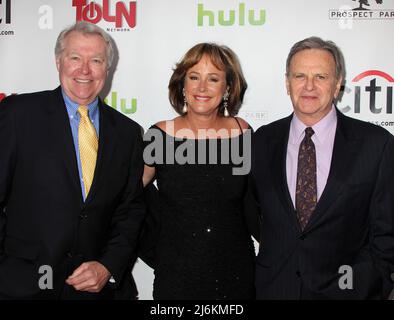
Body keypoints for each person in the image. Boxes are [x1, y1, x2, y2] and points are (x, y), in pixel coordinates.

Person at [0, 21, 145, 300]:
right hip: (21, 286)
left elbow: (131, 211)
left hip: (98, 291)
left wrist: (108, 266)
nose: (85, 70)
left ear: (108, 68)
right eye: (75, 58)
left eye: (96, 60)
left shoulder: (127, 132)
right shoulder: (17, 115)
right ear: (58, 61)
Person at [250, 36, 394, 299]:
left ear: (338, 83)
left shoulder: (376, 144)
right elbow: (250, 213)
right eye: (299, 76)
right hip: (274, 290)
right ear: (287, 82)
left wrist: (368, 284)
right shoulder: (261, 141)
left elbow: (386, 230)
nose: (309, 86)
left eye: (321, 77)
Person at [140, 43, 257, 300]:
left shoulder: (242, 132)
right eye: (194, 77)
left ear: (227, 88)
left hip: (235, 272)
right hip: (176, 274)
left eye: (213, 79)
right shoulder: (159, 135)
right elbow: (128, 198)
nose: (202, 87)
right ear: (183, 85)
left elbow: (259, 202)